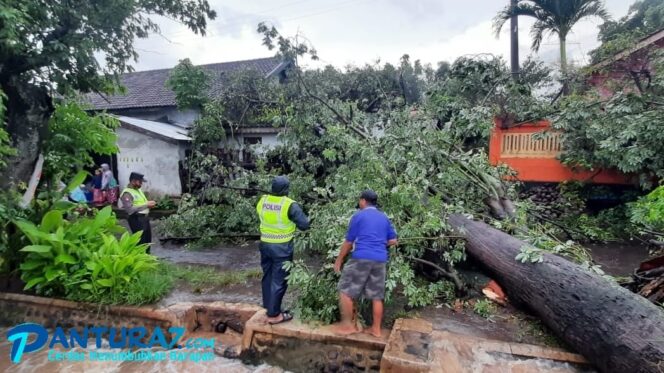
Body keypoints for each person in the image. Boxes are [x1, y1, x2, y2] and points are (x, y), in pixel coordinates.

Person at [332, 190, 398, 338]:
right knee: (376, 296)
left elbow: (349, 242)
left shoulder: (359, 216)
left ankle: (349, 326)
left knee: (345, 291)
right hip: (380, 259)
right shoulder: (384, 218)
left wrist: (339, 260)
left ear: (363, 201)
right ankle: (376, 329)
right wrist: (380, 243)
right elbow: (393, 241)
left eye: (359, 200)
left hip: (361, 257)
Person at [256, 176, 310, 324]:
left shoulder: (263, 201)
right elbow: (304, 224)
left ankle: (269, 308)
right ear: (286, 190)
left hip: (265, 245)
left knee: (268, 277)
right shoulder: (289, 205)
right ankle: (274, 315)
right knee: (279, 280)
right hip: (281, 247)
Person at [120, 172, 156, 253]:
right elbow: (130, 210)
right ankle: (140, 258)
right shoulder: (127, 193)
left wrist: (148, 203)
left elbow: (141, 202)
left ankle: (147, 257)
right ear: (133, 181)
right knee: (141, 241)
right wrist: (147, 205)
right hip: (136, 219)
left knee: (147, 240)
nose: (141, 184)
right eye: (140, 182)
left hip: (144, 218)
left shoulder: (138, 190)